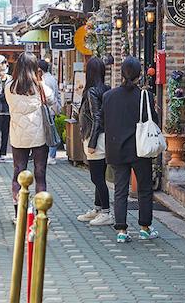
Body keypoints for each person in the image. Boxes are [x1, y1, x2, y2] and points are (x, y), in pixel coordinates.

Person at [103, 57, 160, 243]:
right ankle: (144, 228)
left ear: (121, 73)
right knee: (144, 188)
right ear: (139, 74)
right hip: (140, 149)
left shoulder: (109, 96)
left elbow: (106, 122)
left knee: (120, 189)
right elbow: (154, 120)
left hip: (117, 150)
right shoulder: (145, 96)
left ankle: (121, 231)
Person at [5, 52, 54, 222]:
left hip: (18, 135)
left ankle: (19, 214)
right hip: (39, 135)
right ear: (35, 67)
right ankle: (41, 215)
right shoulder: (40, 87)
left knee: (18, 172)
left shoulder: (9, 87)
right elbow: (52, 99)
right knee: (40, 174)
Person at [75, 57, 113, 226]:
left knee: (96, 177)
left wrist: (91, 142)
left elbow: (97, 117)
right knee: (99, 175)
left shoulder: (91, 91)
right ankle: (98, 209)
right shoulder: (106, 89)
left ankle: (106, 212)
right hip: (103, 136)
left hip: (95, 137)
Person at [38, 59, 61, 165]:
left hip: (47, 109)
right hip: (52, 109)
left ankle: (51, 156)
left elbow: (49, 97)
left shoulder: (44, 80)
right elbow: (57, 95)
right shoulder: (51, 78)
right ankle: (51, 155)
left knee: (49, 132)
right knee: (50, 131)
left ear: (39, 69)